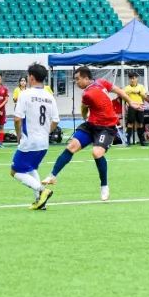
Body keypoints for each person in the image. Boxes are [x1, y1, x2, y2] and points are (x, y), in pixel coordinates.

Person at [42, 67, 131, 204]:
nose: (76, 82)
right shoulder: (92, 89)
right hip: (91, 126)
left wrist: (130, 102)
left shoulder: (96, 87)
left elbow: (118, 91)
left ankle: (104, 186)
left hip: (106, 128)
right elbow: (85, 108)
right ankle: (52, 175)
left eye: (77, 79)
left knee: (96, 153)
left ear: (85, 78)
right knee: (72, 146)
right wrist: (86, 118)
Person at [10, 64, 59, 208]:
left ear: (31, 77)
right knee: (31, 168)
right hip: (43, 143)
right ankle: (40, 202)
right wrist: (46, 133)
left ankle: (42, 190)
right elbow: (55, 120)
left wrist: (19, 135)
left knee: (14, 172)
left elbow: (17, 118)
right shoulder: (50, 97)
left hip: (29, 141)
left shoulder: (25, 94)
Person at [123, 72, 147, 146]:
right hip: (131, 106)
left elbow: (144, 96)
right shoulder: (126, 88)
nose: (132, 80)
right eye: (131, 78)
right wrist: (134, 91)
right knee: (130, 123)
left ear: (137, 78)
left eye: (134, 78)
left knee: (140, 123)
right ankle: (128, 141)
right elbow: (124, 95)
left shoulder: (141, 87)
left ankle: (142, 141)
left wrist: (139, 93)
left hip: (140, 106)